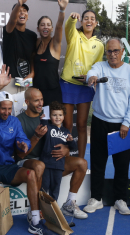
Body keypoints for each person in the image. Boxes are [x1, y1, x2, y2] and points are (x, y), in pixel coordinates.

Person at [0, 65, 51, 235]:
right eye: (3, 108)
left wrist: (24, 144)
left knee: (31, 174)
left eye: (9, 109)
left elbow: (23, 140)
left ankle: (35, 219)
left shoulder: (14, 122)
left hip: (8, 167)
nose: (7, 112)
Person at [83, 38, 130, 215]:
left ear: (122, 51)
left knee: (122, 165)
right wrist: (91, 77)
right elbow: (91, 73)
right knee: (98, 162)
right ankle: (96, 198)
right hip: (100, 122)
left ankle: (121, 199)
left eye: (116, 51)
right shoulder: (100, 67)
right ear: (106, 53)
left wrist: (126, 123)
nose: (113, 54)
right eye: (109, 51)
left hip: (121, 126)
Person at [16, 87, 88, 220]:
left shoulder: (49, 116)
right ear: (27, 101)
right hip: (29, 161)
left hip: (50, 160)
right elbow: (20, 155)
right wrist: (36, 137)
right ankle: (36, 210)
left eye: (42, 99)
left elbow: (60, 138)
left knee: (82, 163)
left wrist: (66, 149)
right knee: (39, 165)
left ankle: (69, 203)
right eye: (36, 100)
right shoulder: (19, 120)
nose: (40, 103)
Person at [60, 10, 105, 158]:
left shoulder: (99, 44)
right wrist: (72, 19)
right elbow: (68, 27)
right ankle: (65, 160)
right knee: (66, 125)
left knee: (81, 125)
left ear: (96, 23)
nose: (89, 21)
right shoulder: (74, 35)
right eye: (86, 18)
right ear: (81, 21)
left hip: (85, 87)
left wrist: (90, 76)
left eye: (92, 19)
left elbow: (97, 66)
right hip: (68, 83)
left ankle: (80, 160)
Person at [32, 0, 69, 106]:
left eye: (48, 25)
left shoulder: (55, 43)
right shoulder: (36, 42)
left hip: (53, 92)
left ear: (51, 29)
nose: (45, 27)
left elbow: (59, 25)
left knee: (52, 123)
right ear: (38, 28)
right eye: (42, 25)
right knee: (38, 123)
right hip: (37, 92)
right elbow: (31, 59)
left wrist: (62, 10)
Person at [39, 101, 77, 201]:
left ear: (64, 116)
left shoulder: (66, 131)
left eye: (60, 115)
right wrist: (43, 119)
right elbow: (43, 128)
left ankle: (53, 208)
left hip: (59, 165)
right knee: (44, 186)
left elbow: (73, 147)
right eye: (54, 115)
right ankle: (41, 208)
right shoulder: (48, 127)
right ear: (50, 116)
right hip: (46, 163)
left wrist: (71, 141)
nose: (57, 117)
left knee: (55, 188)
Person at [2, 0, 37, 93]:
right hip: (10, 80)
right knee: (9, 108)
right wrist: (19, 4)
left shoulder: (32, 35)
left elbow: (32, 57)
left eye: (25, 10)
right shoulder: (9, 30)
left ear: (28, 16)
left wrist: (32, 73)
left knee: (24, 108)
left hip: (26, 80)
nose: (22, 12)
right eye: (19, 11)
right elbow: (12, 21)